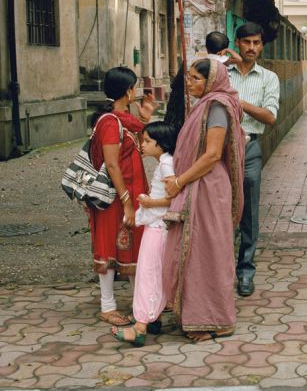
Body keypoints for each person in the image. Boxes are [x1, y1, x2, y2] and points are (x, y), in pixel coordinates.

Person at [162, 59, 245, 342]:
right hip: (201, 183)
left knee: (210, 253)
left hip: (208, 186)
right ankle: (197, 314)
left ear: (210, 81)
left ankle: (215, 321)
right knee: (197, 250)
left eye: (196, 78)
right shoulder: (207, 104)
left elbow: (211, 155)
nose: (190, 83)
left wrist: (179, 182)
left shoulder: (217, 107)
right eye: (189, 77)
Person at [87, 67, 156, 326]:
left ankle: (142, 301)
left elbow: (138, 150)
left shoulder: (126, 120)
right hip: (114, 197)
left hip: (130, 194)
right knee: (108, 246)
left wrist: (146, 120)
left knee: (134, 244)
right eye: (134, 88)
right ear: (128, 92)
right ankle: (107, 306)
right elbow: (112, 164)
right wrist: (127, 200)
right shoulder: (109, 122)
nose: (136, 92)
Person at [112, 121, 176, 346]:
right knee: (152, 274)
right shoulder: (165, 162)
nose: (143, 144)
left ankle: (140, 328)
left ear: (162, 143)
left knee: (147, 275)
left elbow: (174, 197)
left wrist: (150, 202)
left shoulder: (167, 164)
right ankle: (153, 319)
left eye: (148, 141)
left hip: (158, 226)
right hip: (157, 225)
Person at [228, 22, 280, 297]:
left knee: (249, 212)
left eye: (256, 43)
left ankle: (245, 271)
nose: (251, 48)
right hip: (220, 147)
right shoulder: (222, 73)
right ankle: (220, 270)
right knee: (220, 209)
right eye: (246, 42)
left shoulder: (268, 78)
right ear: (237, 43)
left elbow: (270, 117)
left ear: (262, 45)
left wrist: (236, 100)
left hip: (250, 148)